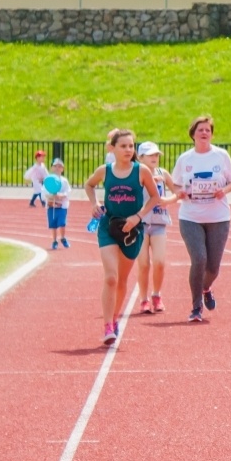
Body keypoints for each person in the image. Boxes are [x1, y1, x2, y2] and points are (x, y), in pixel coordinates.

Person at [84, 130, 160, 345]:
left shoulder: (141, 171)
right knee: (111, 277)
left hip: (131, 231)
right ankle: (108, 324)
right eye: (123, 146)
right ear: (112, 149)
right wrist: (94, 204)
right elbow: (89, 185)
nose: (128, 150)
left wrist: (138, 217)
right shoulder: (105, 171)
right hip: (108, 226)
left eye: (131, 146)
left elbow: (155, 197)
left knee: (122, 280)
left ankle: (115, 317)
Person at [172, 115, 231, 323]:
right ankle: (195, 307)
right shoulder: (185, 159)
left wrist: (223, 191)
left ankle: (206, 288)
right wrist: (181, 193)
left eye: (207, 130)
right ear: (193, 134)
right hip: (190, 217)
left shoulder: (221, 156)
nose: (204, 133)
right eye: (200, 129)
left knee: (213, 267)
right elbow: (175, 185)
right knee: (199, 259)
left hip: (218, 217)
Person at [136, 141, 177, 314]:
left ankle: (156, 295)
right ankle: (144, 299)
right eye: (150, 155)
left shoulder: (163, 173)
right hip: (140, 224)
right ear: (140, 157)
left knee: (160, 262)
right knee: (144, 264)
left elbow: (177, 192)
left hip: (159, 222)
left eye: (156, 155)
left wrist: (168, 200)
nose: (154, 157)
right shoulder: (134, 174)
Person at [41, 158, 72, 249]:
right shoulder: (48, 180)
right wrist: (51, 196)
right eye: (55, 166)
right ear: (51, 168)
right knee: (53, 224)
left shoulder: (64, 181)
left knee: (62, 223)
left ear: (62, 169)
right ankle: (54, 240)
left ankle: (62, 237)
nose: (57, 168)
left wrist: (63, 195)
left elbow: (68, 191)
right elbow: (44, 192)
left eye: (60, 166)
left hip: (62, 206)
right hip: (51, 206)